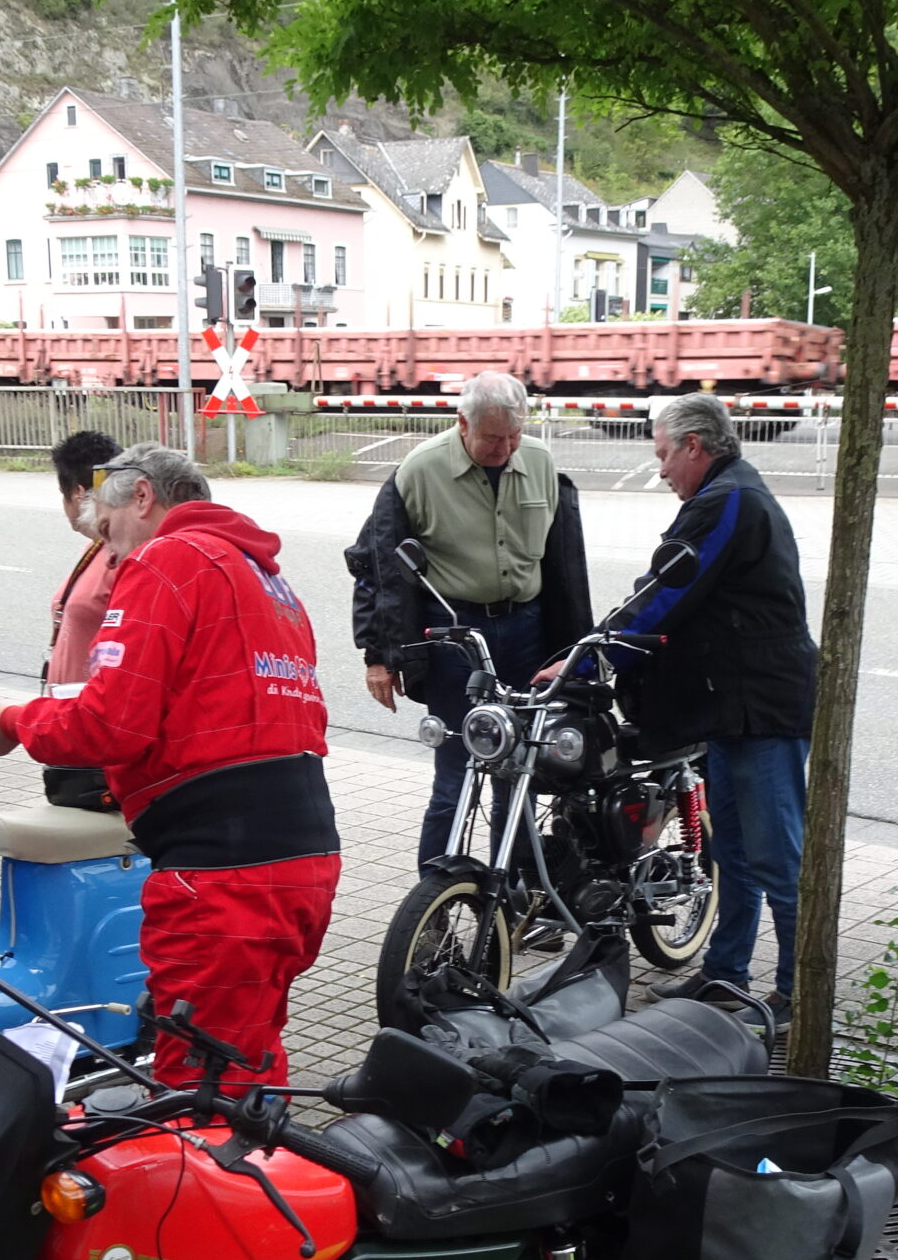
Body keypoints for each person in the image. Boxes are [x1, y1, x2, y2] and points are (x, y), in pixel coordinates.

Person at [0, 444, 340, 1087]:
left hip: (222, 873)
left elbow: (111, 723)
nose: (111, 555)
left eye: (109, 533)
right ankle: (261, 1140)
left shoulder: (168, 558)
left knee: (202, 1083)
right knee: (246, 1052)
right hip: (301, 859)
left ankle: (233, 1150)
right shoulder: (265, 579)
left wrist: (11, 721)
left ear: (141, 496)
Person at [603, 392, 817, 1013]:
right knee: (733, 854)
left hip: (762, 709)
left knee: (777, 858)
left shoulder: (729, 501)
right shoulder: (730, 492)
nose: (661, 470)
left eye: (664, 455)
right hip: (732, 707)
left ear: (694, 446)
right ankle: (726, 976)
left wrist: (591, 658)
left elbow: (665, 593)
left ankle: (799, 997)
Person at [347, 371, 591, 867]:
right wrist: (378, 655)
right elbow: (375, 566)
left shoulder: (540, 462)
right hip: (456, 638)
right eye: (493, 438)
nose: (506, 448)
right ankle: (434, 901)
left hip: (527, 631)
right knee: (456, 775)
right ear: (463, 423)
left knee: (520, 774)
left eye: (514, 435)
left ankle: (513, 894)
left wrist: (575, 648)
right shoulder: (419, 471)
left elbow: (565, 563)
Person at [40, 428, 124, 811]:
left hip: (98, 740)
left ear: (76, 493)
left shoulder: (124, 555)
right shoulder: (97, 550)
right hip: (71, 729)